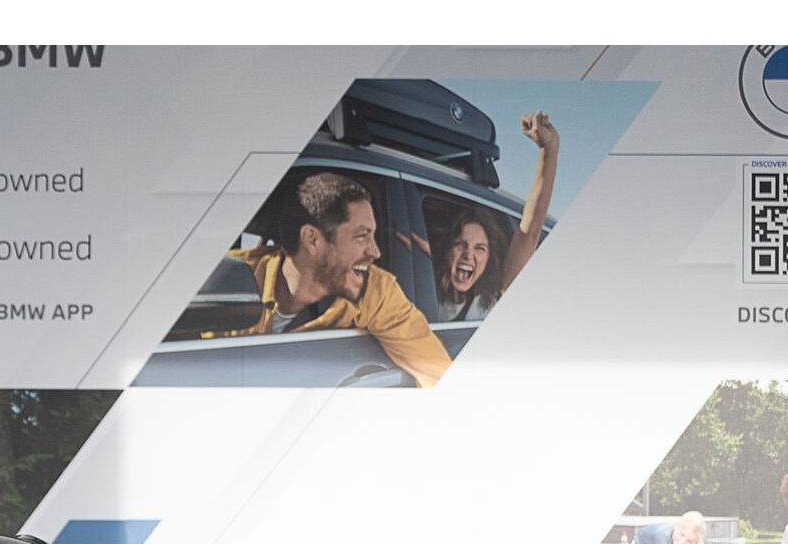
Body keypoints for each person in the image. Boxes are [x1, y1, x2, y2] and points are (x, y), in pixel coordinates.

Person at [224, 172, 453, 388]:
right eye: (362, 236)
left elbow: (441, 377)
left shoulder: (374, 291)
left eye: (373, 236)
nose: (375, 252)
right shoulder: (226, 275)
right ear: (313, 240)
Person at [433, 112, 560, 322]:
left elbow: (530, 231)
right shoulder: (425, 292)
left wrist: (548, 151)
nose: (468, 255)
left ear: (489, 259)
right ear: (447, 249)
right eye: (460, 244)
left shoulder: (488, 305)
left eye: (480, 248)